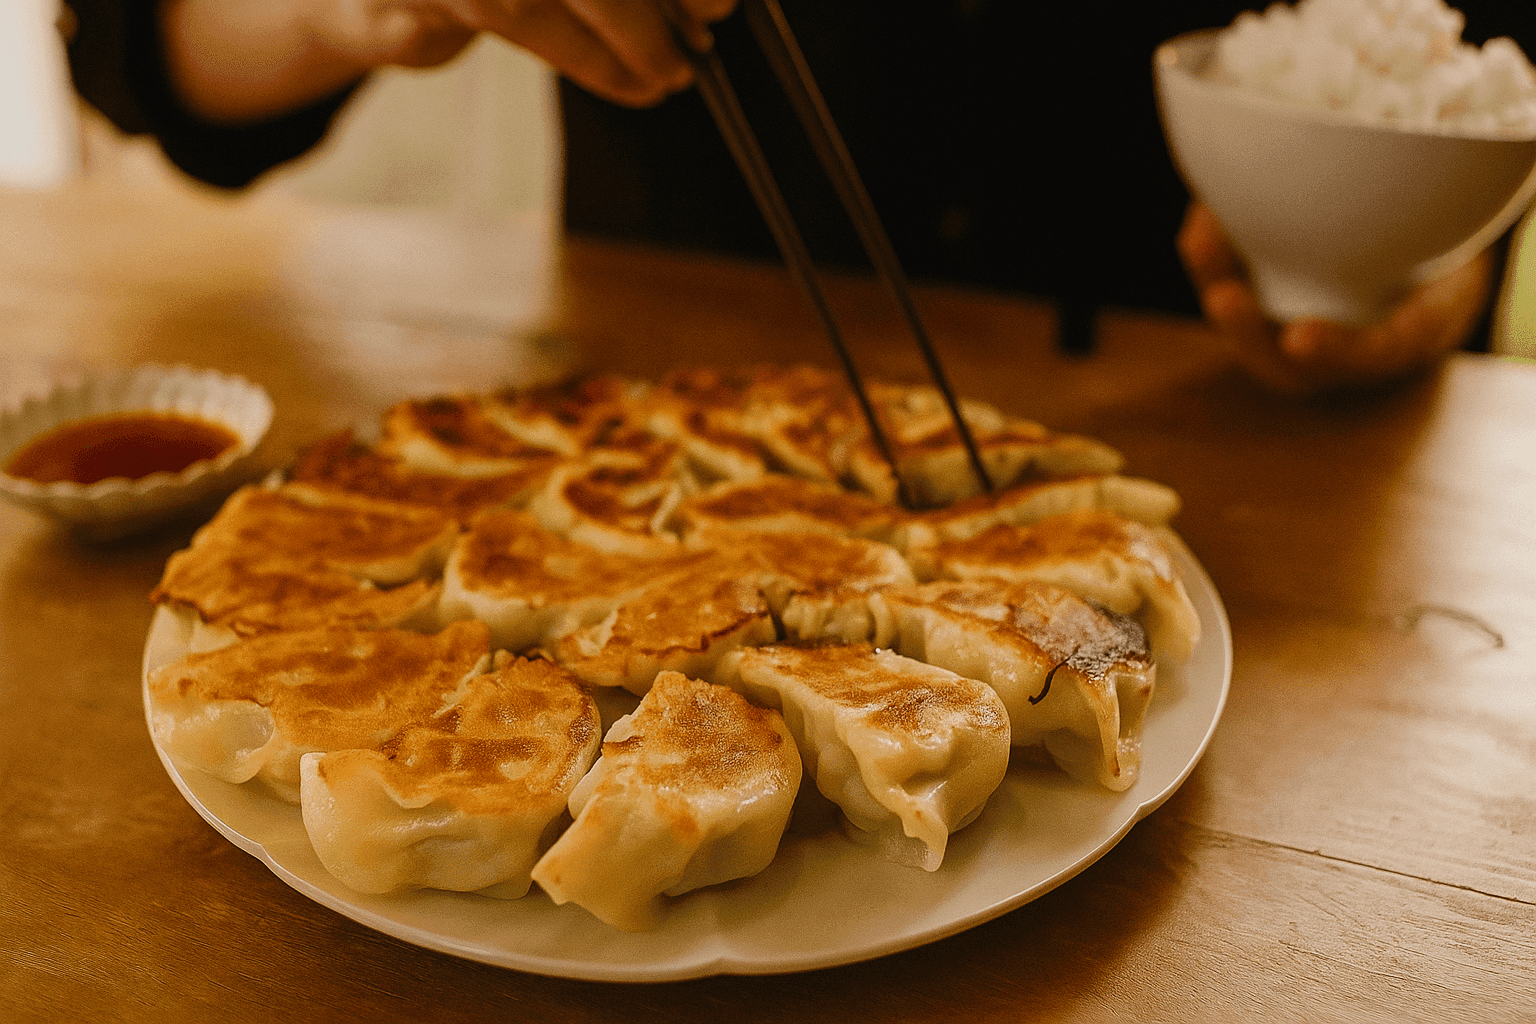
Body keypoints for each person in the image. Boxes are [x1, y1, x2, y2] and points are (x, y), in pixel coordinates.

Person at [62, 0, 1535, 395]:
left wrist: (1428, 249)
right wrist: (344, 10)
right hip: (640, 433)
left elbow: (1485, 57)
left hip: (1229, 432)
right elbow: (139, 52)